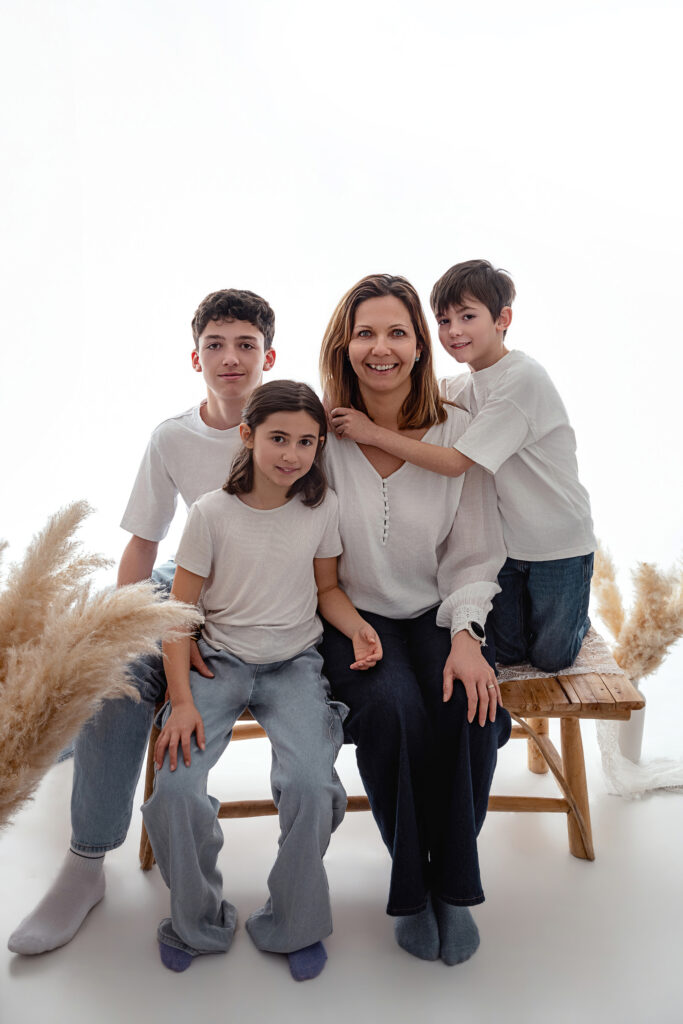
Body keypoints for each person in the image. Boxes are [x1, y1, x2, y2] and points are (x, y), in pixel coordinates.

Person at [8, 288, 277, 956]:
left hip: (260, 603)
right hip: (182, 585)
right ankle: (86, 863)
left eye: (246, 344)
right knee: (115, 673)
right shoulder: (173, 437)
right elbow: (144, 544)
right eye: (216, 344)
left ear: (269, 355)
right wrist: (117, 627)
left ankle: (80, 748)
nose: (231, 358)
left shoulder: (297, 424)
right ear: (195, 358)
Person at [142, 380, 382, 979]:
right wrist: (181, 701)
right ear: (247, 436)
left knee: (310, 785)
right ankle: (195, 920)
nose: (293, 454)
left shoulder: (319, 508)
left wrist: (356, 629)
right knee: (174, 789)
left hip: (294, 664)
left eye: (307, 442)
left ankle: (294, 920)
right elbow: (178, 613)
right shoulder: (210, 515)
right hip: (218, 664)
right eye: (279, 438)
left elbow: (327, 589)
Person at [319, 274, 511, 967]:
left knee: (472, 706)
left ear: (419, 345)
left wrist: (464, 636)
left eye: (397, 332)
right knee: (394, 709)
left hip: (436, 610)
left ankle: (452, 889)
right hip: (348, 617)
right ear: (344, 344)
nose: (381, 347)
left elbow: (475, 548)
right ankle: (411, 889)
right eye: (365, 332)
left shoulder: (457, 430)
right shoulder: (321, 431)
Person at [329, 259, 596, 673]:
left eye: (468, 317)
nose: (454, 331)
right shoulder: (463, 386)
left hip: (555, 543)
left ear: (503, 319)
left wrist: (373, 433)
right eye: (444, 320)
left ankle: (579, 620)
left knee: (551, 657)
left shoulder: (521, 379)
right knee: (507, 650)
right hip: (506, 546)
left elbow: (454, 462)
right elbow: (412, 392)